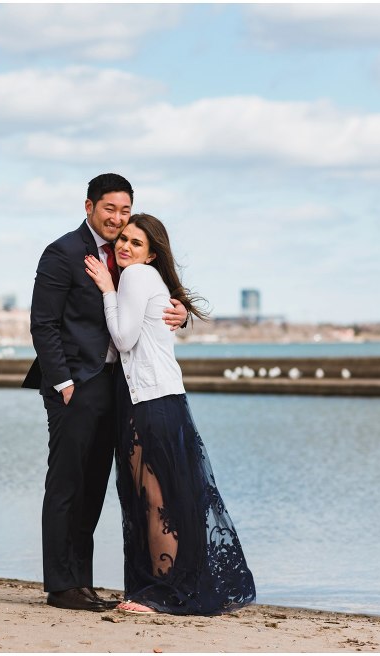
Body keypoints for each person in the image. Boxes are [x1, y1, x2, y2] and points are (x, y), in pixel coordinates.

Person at [23, 174, 188, 612]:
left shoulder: (128, 253)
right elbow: (44, 324)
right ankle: (61, 586)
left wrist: (180, 311)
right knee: (67, 484)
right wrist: (63, 383)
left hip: (120, 386)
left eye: (125, 211)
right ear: (89, 206)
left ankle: (82, 583)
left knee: (95, 485)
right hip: (76, 387)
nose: (117, 219)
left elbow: (152, 300)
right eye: (109, 209)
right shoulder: (62, 253)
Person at [83, 213, 256, 615]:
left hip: (150, 402)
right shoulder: (152, 280)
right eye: (123, 239)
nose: (125, 246)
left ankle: (164, 593)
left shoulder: (135, 277)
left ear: (152, 253)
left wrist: (108, 288)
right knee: (165, 498)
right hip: (161, 399)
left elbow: (124, 339)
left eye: (135, 243)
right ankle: (170, 586)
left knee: (155, 499)